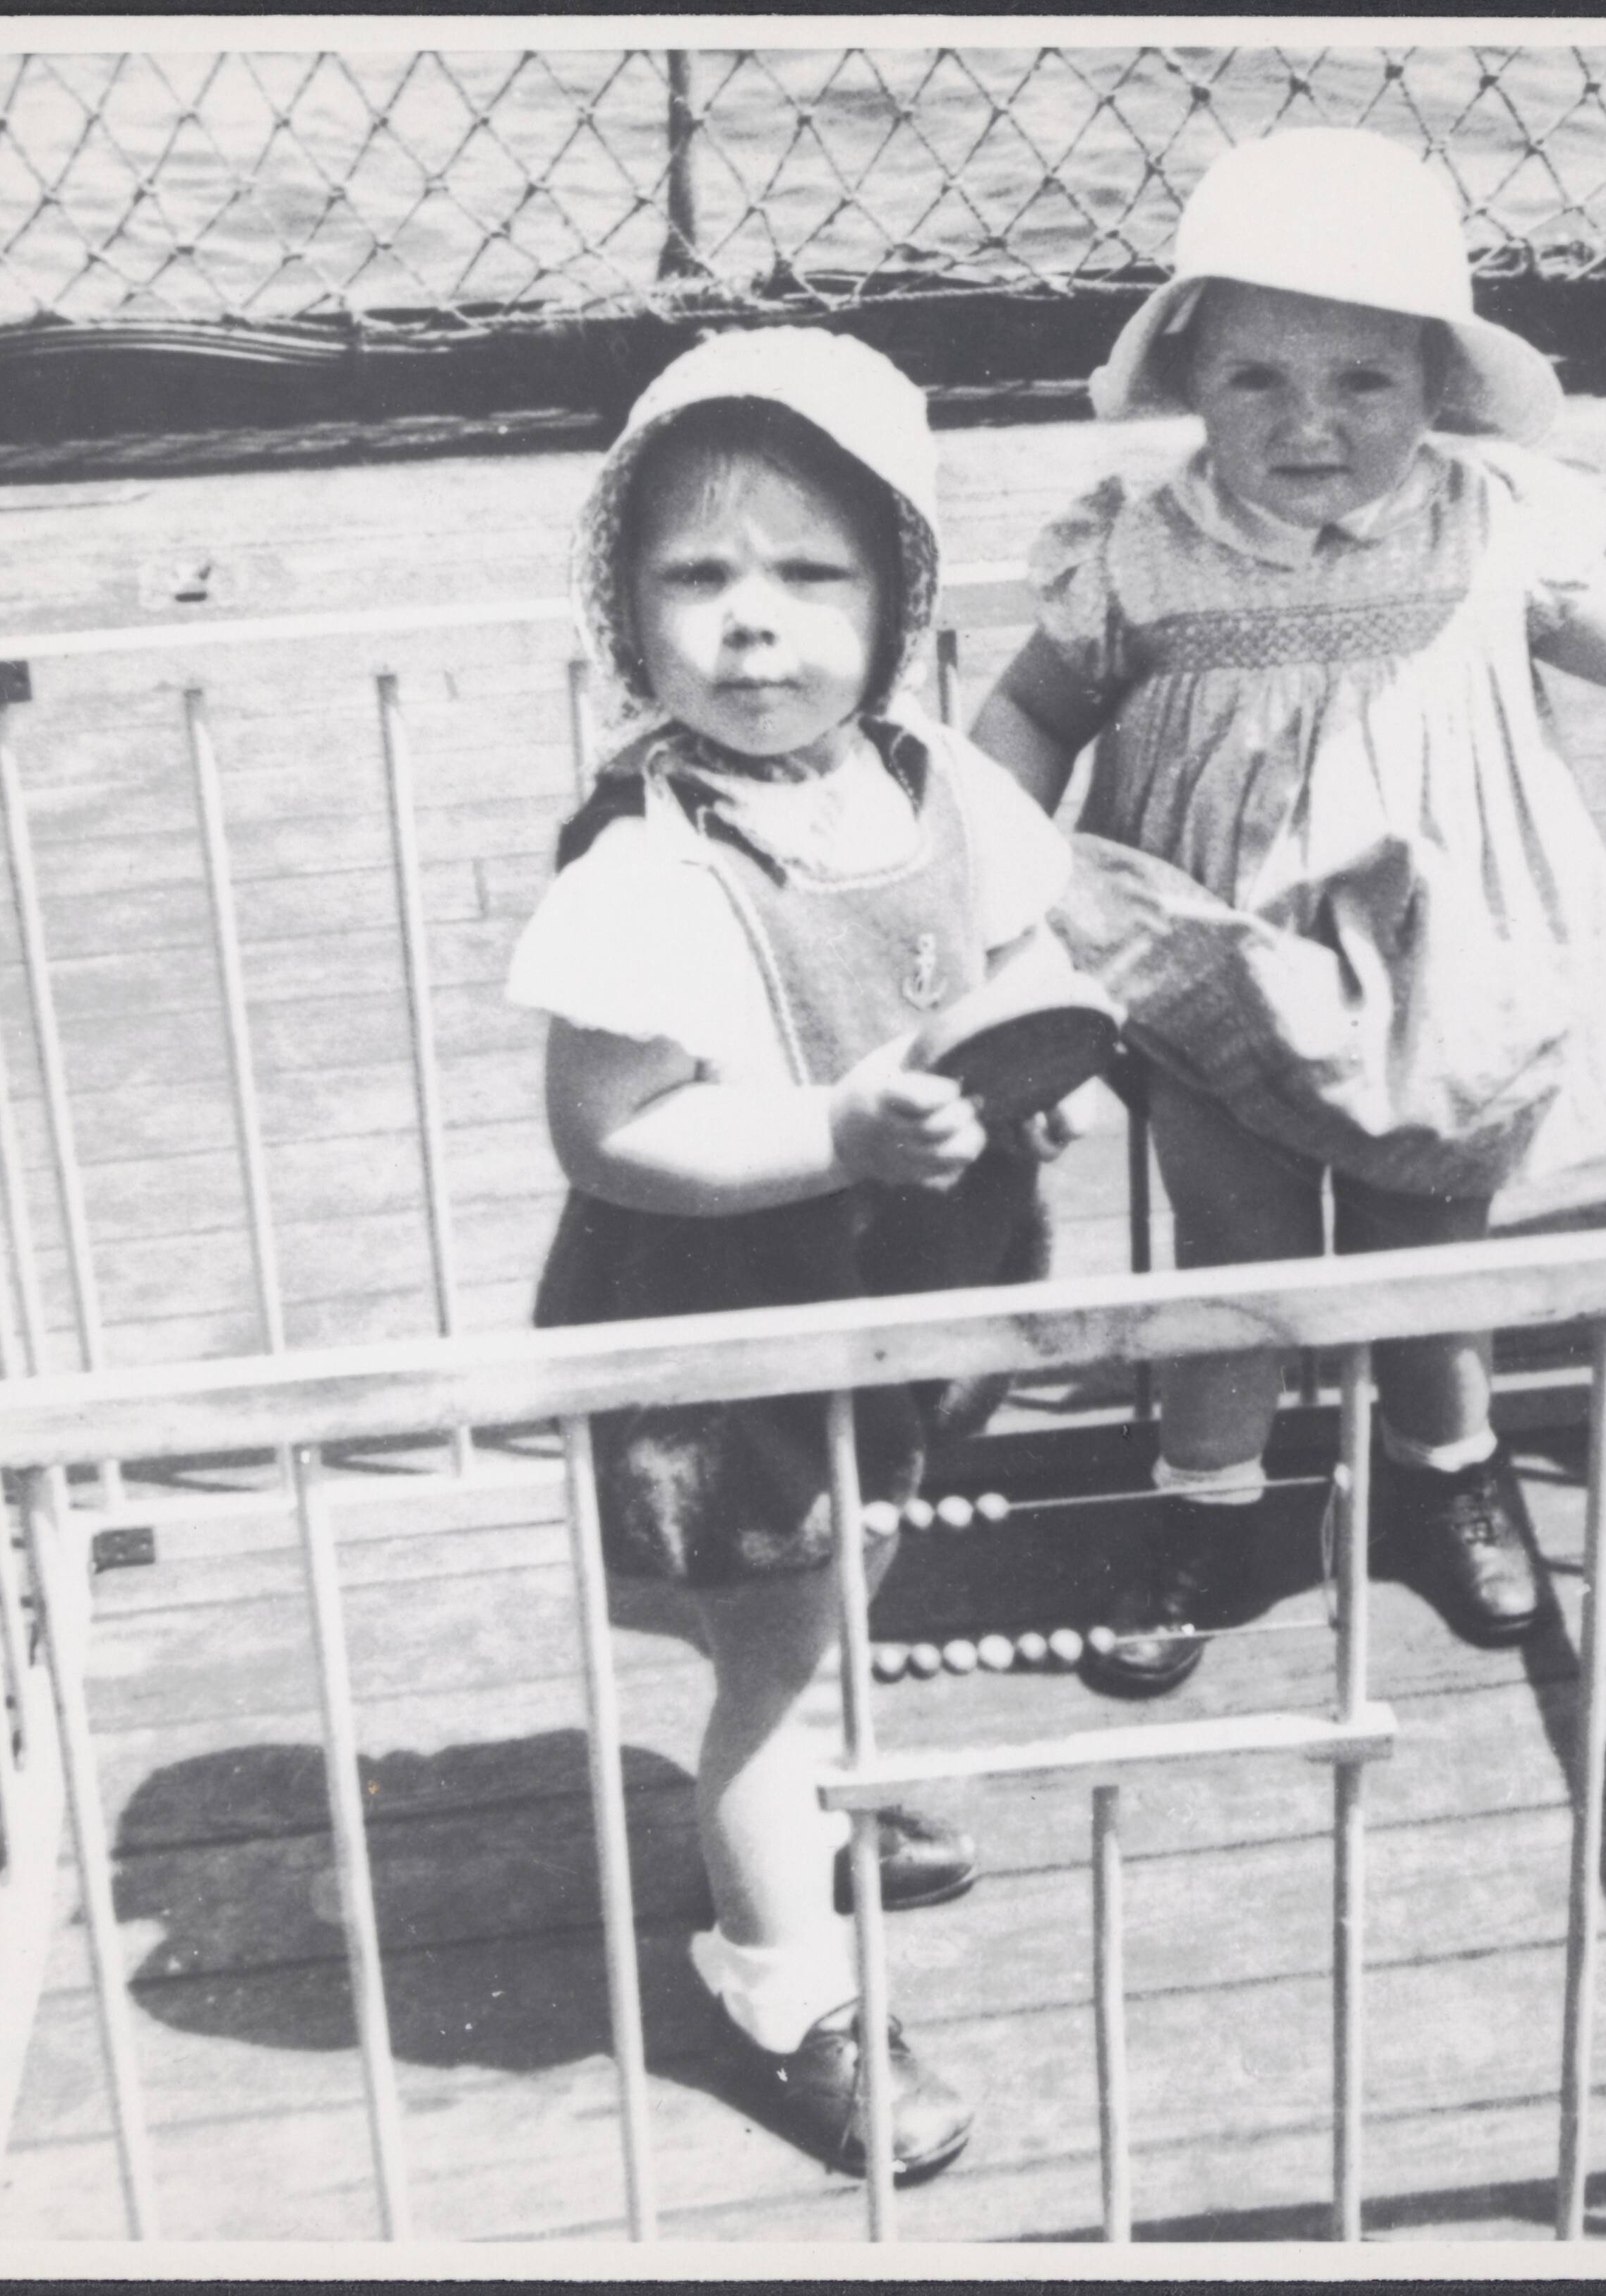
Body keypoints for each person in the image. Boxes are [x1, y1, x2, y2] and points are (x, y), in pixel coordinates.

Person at [971, 128, 1606, 1696]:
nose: (1309, 423)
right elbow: (1031, 715)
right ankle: (1210, 1509)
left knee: (1429, 1228)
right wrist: (997, 903)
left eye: (1363, 382)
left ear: (1438, 387)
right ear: (1189, 378)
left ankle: (1447, 1472)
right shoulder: (1141, 547)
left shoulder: (1495, 522)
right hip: (1216, 952)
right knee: (1235, 1239)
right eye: (1256, 378)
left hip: (1443, 949)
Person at [506, 327, 1096, 2176]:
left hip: (899, 1293)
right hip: (736, 1333)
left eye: (810, 574)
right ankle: (782, 1986)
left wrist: (1030, 1076)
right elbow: (609, 1132)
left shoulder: (937, 784)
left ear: (897, 601)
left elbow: (1013, 955)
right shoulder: (651, 868)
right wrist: (836, 1131)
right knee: (773, 1661)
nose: (752, 622)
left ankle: (810, 1812)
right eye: (696, 576)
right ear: (628, 617)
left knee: (853, 1575)